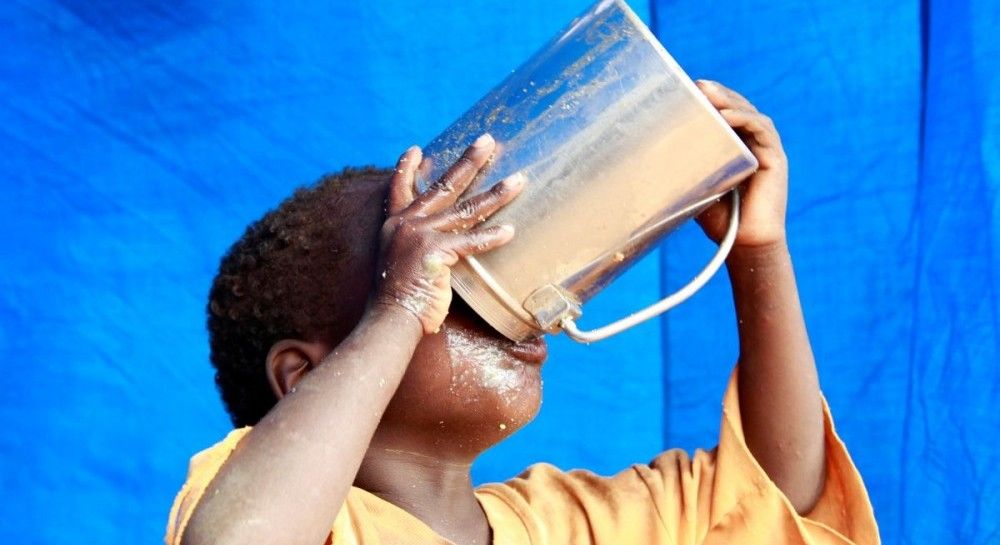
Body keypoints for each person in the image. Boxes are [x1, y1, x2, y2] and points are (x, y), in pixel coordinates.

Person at [166, 81, 879, 545]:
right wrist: (402, 307)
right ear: (304, 374)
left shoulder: (571, 523)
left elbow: (781, 500)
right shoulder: (274, 503)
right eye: (441, 272)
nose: (499, 297)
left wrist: (758, 250)